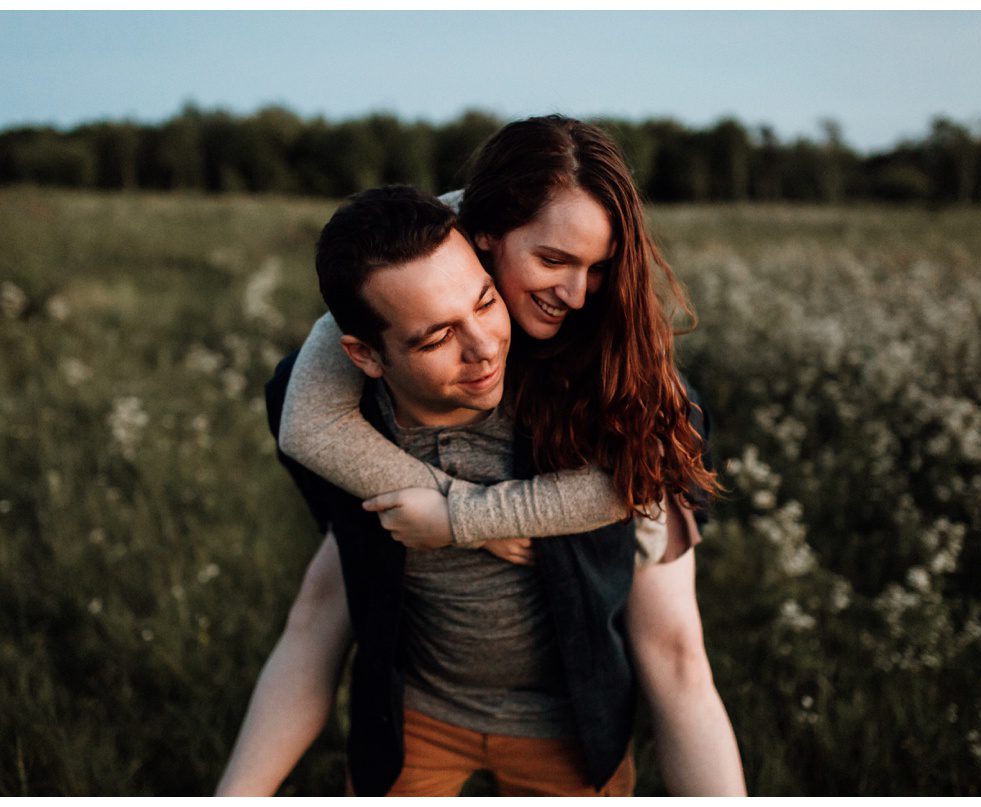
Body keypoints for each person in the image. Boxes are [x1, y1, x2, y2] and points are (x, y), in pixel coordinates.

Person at [216, 116, 746, 796]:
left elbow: (628, 485)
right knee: (327, 592)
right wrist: (455, 507)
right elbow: (307, 416)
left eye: (599, 264)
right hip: (426, 707)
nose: (578, 292)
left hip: (575, 677)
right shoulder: (419, 277)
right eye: (552, 261)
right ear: (481, 231)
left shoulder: (606, 340)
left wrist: (469, 517)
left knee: (676, 651)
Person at [247, 185, 638, 796]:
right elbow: (307, 429)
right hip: (419, 716)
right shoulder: (348, 428)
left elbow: (645, 465)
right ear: (364, 356)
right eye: (434, 340)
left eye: (485, 303)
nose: (483, 349)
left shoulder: (563, 385)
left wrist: (468, 517)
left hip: (568, 720)